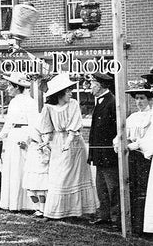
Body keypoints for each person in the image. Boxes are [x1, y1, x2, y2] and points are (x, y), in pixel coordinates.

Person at [40, 74, 99, 219]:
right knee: (58, 176)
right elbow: (47, 127)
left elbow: (74, 127)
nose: (70, 93)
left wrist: (68, 143)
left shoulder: (73, 104)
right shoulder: (48, 107)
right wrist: (45, 141)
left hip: (74, 144)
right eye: (68, 91)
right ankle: (56, 210)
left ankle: (77, 210)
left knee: (74, 176)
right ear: (59, 93)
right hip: (58, 142)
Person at [0, 72, 37, 211]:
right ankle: (13, 203)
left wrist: (28, 140)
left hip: (22, 137)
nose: (8, 89)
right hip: (12, 137)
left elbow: (33, 123)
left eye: (11, 86)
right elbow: (9, 123)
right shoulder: (13, 102)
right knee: (11, 169)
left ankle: (26, 204)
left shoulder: (30, 102)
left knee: (21, 169)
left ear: (17, 87)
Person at [113, 81, 152, 234]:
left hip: (145, 158)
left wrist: (135, 145)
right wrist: (118, 143)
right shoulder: (133, 116)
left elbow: (150, 139)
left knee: (144, 190)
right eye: (137, 98)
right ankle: (133, 224)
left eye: (142, 98)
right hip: (131, 157)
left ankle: (144, 225)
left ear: (149, 100)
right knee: (131, 188)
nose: (139, 102)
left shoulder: (151, 116)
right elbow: (122, 133)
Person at [88, 72, 119, 226]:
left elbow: (115, 129)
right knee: (101, 187)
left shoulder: (112, 102)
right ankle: (104, 215)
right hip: (100, 154)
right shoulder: (101, 101)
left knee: (112, 186)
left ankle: (115, 218)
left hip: (109, 154)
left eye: (92, 83)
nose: (89, 87)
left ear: (99, 85)